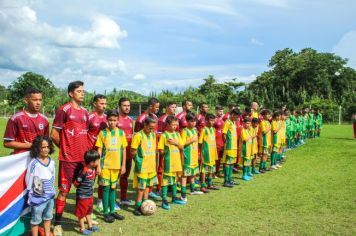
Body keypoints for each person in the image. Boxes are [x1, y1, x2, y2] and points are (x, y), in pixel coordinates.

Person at [51, 81, 89, 236]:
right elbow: (54, 134)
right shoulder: (64, 110)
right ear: (71, 93)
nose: (82, 93)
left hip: (83, 159)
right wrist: (66, 149)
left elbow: (84, 135)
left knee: (83, 191)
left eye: (83, 91)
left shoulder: (85, 112)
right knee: (64, 191)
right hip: (68, 159)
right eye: (79, 91)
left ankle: (83, 219)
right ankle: (57, 224)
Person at [95, 109, 126, 223]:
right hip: (105, 167)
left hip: (116, 166)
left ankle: (113, 211)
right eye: (110, 120)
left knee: (113, 188)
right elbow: (99, 150)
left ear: (118, 121)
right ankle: (106, 213)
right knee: (106, 189)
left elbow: (124, 149)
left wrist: (123, 165)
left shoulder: (121, 133)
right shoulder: (103, 133)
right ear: (107, 120)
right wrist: (98, 166)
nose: (112, 122)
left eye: (114, 120)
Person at [3, 88, 49, 154]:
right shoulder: (16, 118)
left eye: (40, 100)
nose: (38, 103)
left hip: (38, 159)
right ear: (26, 100)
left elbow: (46, 142)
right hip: (21, 159)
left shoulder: (45, 120)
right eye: (34, 100)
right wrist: (31, 145)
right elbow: (7, 143)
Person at [26, 136, 55, 236]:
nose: (45, 149)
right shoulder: (34, 163)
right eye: (42, 147)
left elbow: (53, 177)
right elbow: (29, 180)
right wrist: (31, 195)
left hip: (50, 197)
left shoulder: (52, 162)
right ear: (37, 148)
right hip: (38, 198)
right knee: (36, 220)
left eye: (47, 146)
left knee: (48, 217)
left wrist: (52, 191)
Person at [131, 117, 158, 216]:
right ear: (145, 125)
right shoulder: (138, 135)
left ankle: (145, 203)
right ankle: (137, 206)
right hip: (142, 166)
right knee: (141, 187)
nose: (151, 130)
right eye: (150, 128)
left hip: (151, 166)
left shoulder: (153, 135)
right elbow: (133, 151)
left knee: (147, 185)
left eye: (153, 128)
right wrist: (138, 161)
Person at [134, 97, 160, 200]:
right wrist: (137, 158)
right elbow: (137, 136)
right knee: (141, 179)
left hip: (152, 150)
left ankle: (149, 192)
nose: (158, 109)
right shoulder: (141, 119)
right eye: (156, 107)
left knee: (152, 173)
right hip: (142, 154)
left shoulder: (154, 117)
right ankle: (139, 199)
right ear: (150, 106)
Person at [158, 115, 186, 209]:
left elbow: (182, 147)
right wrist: (165, 152)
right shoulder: (164, 135)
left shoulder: (177, 134)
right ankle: (164, 200)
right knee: (165, 181)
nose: (175, 126)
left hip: (177, 161)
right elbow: (161, 150)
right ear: (168, 124)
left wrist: (176, 143)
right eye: (173, 125)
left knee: (175, 180)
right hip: (168, 162)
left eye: (176, 124)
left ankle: (174, 198)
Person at [87, 95, 107, 213]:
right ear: (95, 104)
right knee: (90, 180)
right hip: (90, 154)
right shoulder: (89, 117)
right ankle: (87, 206)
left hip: (103, 154)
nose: (104, 106)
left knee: (102, 179)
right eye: (101, 103)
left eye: (105, 104)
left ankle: (100, 201)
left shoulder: (106, 118)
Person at [74, 150, 100, 235]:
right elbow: (76, 183)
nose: (98, 162)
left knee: (89, 212)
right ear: (92, 162)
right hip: (83, 196)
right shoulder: (84, 171)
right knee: (82, 213)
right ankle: (82, 228)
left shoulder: (93, 169)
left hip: (89, 195)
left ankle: (90, 226)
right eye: (97, 160)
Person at [180, 112, 204, 197]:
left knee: (193, 173)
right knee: (185, 175)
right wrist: (191, 140)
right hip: (187, 156)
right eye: (191, 121)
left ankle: (193, 189)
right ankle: (183, 193)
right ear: (187, 121)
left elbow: (196, 143)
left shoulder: (195, 130)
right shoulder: (184, 131)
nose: (193, 123)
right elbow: (182, 144)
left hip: (194, 156)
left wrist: (198, 153)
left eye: (194, 121)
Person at [157, 101, 177, 194]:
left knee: (172, 168)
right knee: (162, 167)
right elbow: (159, 134)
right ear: (167, 107)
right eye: (172, 107)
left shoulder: (174, 118)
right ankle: (160, 188)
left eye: (175, 107)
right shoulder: (162, 119)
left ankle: (169, 186)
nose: (174, 109)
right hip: (165, 148)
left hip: (174, 148)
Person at [117, 98, 134, 207]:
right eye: (124, 105)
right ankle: (111, 200)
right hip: (116, 154)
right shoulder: (115, 119)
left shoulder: (130, 120)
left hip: (128, 154)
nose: (127, 107)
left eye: (128, 105)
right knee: (113, 178)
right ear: (119, 106)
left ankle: (123, 198)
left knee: (125, 177)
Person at [199, 113, 220, 192]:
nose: (212, 122)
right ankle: (203, 186)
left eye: (213, 120)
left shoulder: (213, 129)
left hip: (212, 152)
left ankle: (210, 184)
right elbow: (200, 142)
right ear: (206, 120)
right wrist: (201, 153)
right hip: (206, 153)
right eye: (211, 120)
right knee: (204, 170)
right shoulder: (204, 130)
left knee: (211, 169)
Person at [221, 108, 240, 187]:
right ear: (232, 115)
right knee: (227, 163)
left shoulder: (233, 122)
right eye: (236, 116)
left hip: (234, 146)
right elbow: (224, 134)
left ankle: (230, 179)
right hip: (229, 146)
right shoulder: (227, 122)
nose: (237, 118)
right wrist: (226, 143)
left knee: (231, 163)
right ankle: (226, 181)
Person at [214, 105, 225, 177]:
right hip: (215, 141)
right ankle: (213, 173)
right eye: (220, 111)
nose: (221, 112)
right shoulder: (213, 119)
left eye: (222, 111)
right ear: (216, 111)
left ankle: (217, 171)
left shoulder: (222, 119)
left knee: (219, 158)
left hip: (221, 140)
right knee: (215, 158)